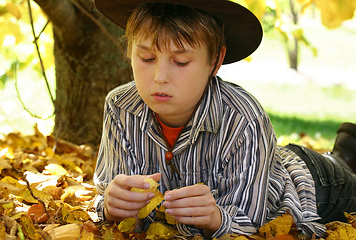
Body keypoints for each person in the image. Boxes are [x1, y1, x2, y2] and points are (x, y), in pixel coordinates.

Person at [92, 0, 356, 238]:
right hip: (268, 161)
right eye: (147, 58)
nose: (160, 76)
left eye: (181, 61)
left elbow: (251, 222)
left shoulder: (244, 117)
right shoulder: (121, 107)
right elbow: (114, 198)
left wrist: (217, 218)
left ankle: (342, 157)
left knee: (348, 180)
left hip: (316, 185)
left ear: (215, 61)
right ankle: (346, 149)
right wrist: (113, 206)